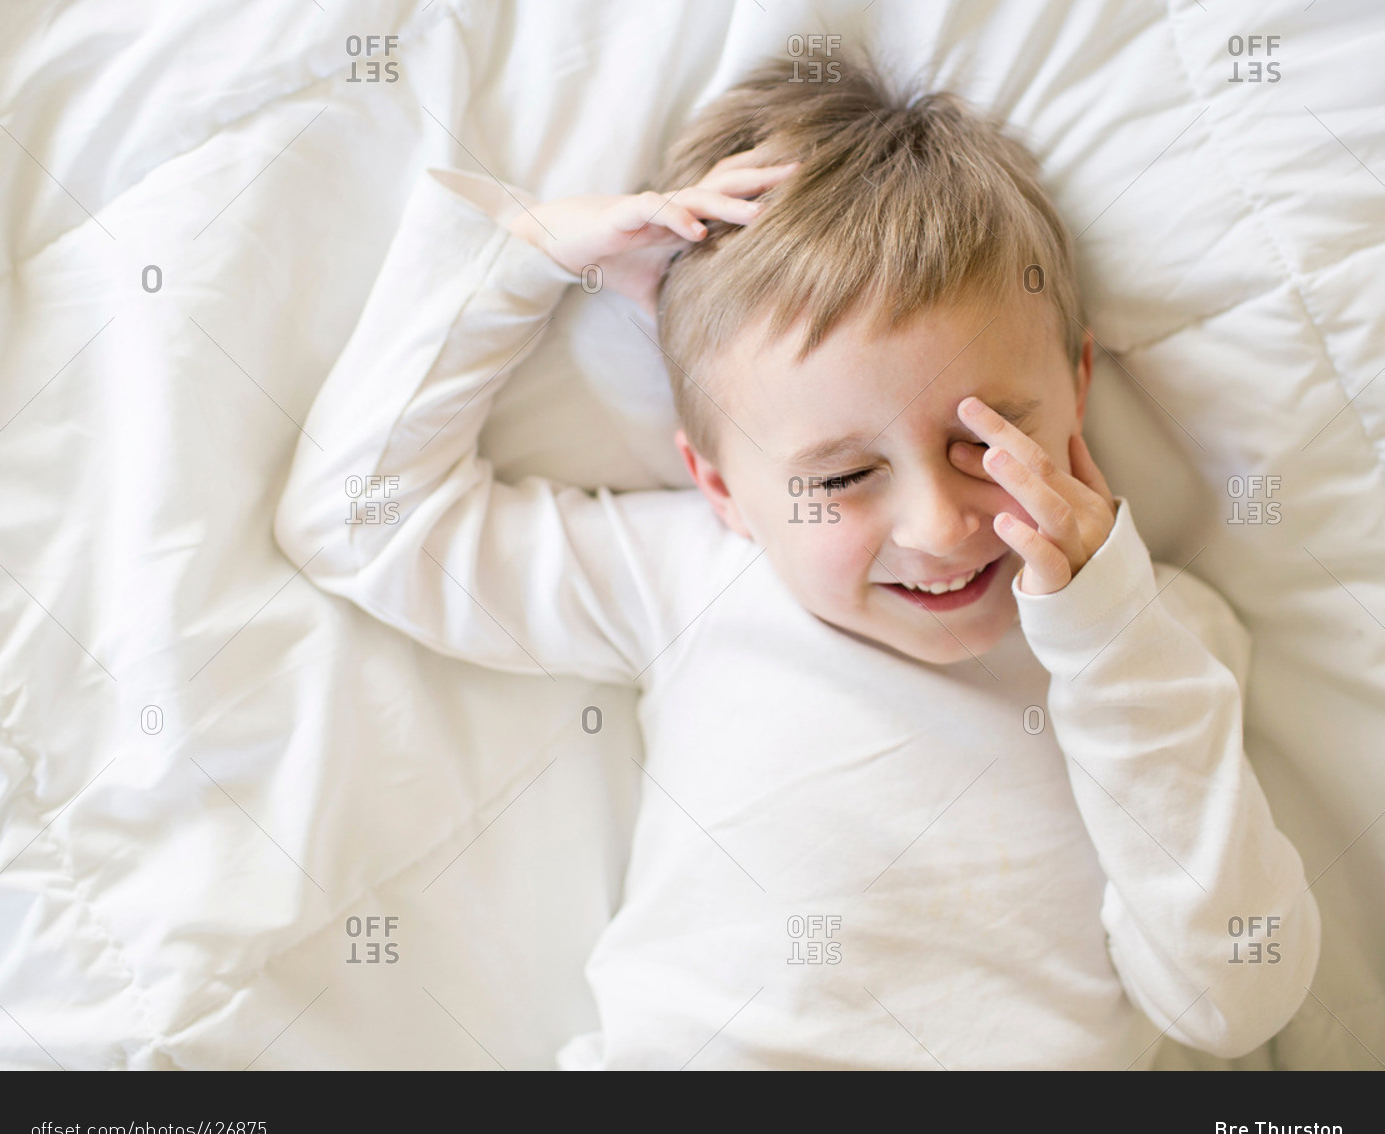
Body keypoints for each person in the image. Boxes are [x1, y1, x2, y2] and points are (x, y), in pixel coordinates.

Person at [275, 55, 1319, 1069]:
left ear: (1078, 387)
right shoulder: (694, 581)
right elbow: (358, 522)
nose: (938, 526)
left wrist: (1111, 642)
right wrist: (527, 259)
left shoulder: (1155, 642)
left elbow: (1232, 999)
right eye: (842, 477)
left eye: (985, 444)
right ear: (722, 486)